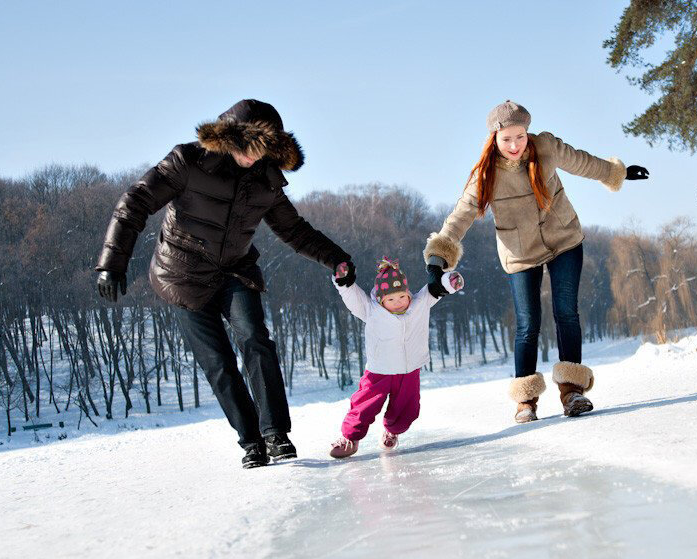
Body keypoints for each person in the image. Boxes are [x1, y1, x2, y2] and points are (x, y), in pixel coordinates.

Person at [95, 99, 356, 469]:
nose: (254, 157)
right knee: (218, 363)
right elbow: (135, 201)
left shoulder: (266, 182)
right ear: (232, 137)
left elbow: (294, 230)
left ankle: (275, 433)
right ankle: (251, 441)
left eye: (264, 150)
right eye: (250, 147)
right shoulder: (188, 161)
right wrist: (112, 263)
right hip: (181, 277)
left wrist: (337, 258)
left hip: (234, 271)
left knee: (255, 338)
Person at [423, 100, 649, 424]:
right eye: (506, 139)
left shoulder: (546, 148)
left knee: (566, 313)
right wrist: (437, 258)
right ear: (494, 139)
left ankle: (572, 392)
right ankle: (525, 401)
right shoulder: (485, 175)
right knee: (528, 324)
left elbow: (583, 163)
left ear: (527, 132)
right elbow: (460, 216)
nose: (514, 145)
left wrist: (619, 172)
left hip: (564, 240)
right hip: (520, 254)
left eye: (520, 136)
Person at [328, 257, 463, 458]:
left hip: (409, 372)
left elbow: (433, 290)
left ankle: (392, 430)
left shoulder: (419, 305)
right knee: (363, 406)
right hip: (378, 372)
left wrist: (450, 282)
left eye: (401, 297)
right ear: (381, 300)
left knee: (407, 409)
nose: (398, 303)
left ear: (408, 294)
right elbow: (352, 296)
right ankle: (350, 438)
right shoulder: (371, 310)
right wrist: (343, 280)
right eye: (391, 300)